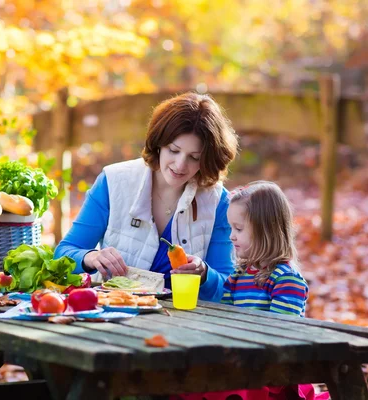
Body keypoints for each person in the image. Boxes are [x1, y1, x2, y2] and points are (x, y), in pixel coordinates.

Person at [54, 92, 239, 301]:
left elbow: (226, 286)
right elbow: (63, 253)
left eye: (194, 157)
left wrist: (205, 273)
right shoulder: (113, 181)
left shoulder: (217, 201)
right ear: (159, 143)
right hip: (116, 313)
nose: (180, 165)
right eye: (173, 150)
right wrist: (91, 257)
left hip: (187, 322)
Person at [173, 181, 327, 400]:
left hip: (272, 372)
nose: (231, 236)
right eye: (231, 228)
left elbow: (281, 338)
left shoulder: (286, 280)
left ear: (266, 230)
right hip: (243, 361)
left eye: (239, 229)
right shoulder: (239, 276)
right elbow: (225, 319)